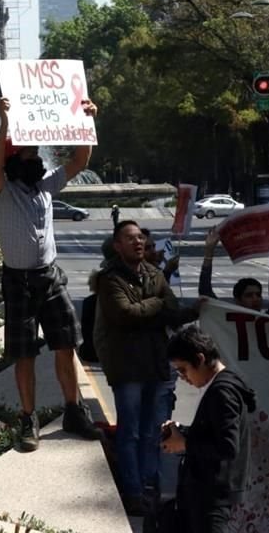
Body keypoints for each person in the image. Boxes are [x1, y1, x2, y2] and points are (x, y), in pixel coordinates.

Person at [0, 96, 101, 451]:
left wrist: (87, 122)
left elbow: (80, 160)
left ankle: (73, 409)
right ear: (12, 161)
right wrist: (4, 123)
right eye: (28, 153)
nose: (36, 157)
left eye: (36, 152)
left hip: (50, 276)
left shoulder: (46, 187)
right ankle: (28, 417)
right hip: (18, 280)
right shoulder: (1, 190)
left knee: (66, 343)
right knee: (25, 353)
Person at [93, 220, 197, 515]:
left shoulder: (154, 274)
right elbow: (125, 314)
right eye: (130, 239)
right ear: (118, 246)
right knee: (131, 432)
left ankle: (149, 487)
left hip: (155, 364)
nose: (138, 243)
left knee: (153, 432)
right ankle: (133, 491)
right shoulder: (109, 278)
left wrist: (197, 309)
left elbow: (173, 312)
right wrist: (156, 304)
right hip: (127, 369)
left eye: (140, 238)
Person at [161, 325, 256, 533]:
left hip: (213, 494)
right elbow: (214, 431)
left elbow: (228, 447)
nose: (183, 377)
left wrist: (184, 442)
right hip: (205, 491)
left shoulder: (223, 392)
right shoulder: (219, 386)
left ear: (200, 359)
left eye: (183, 369)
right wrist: (182, 431)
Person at [199, 226, 269, 315]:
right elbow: (206, 295)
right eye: (249, 295)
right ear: (238, 301)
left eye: (258, 294)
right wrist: (209, 251)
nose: (255, 299)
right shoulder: (225, 321)